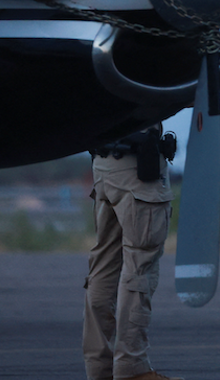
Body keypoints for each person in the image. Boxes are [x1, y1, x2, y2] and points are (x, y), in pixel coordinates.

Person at [83, 124, 183, 380]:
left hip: (104, 165)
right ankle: (132, 368)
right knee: (140, 267)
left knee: (103, 266)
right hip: (135, 170)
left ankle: (99, 370)